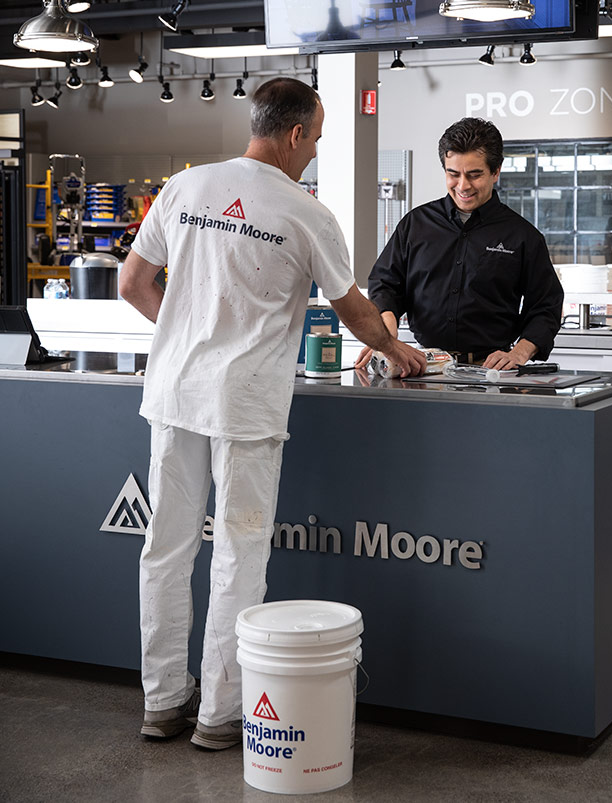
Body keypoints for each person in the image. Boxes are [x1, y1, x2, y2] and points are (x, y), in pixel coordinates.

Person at [119, 77, 425, 751]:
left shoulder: (185, 186)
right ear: (293, 134)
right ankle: (219, 715)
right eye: (315, 138)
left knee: (163, 552)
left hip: (173, 394)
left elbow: (133, 283)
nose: (315, 150)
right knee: (237, 556)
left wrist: (184, 332)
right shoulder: (305, 212)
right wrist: (396, 347)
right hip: (245, 405)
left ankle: (161, 703)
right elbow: (356, 315)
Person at [357, 117, 564, 372]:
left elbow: (547, 304)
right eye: (453, 174)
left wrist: (520, 353)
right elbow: (386, 282)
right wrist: (386, 333)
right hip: (424, 366)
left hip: (490, 372)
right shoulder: (416, 224)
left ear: (496, 171)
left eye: (474, 175)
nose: (463, 186)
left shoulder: (522, 236)